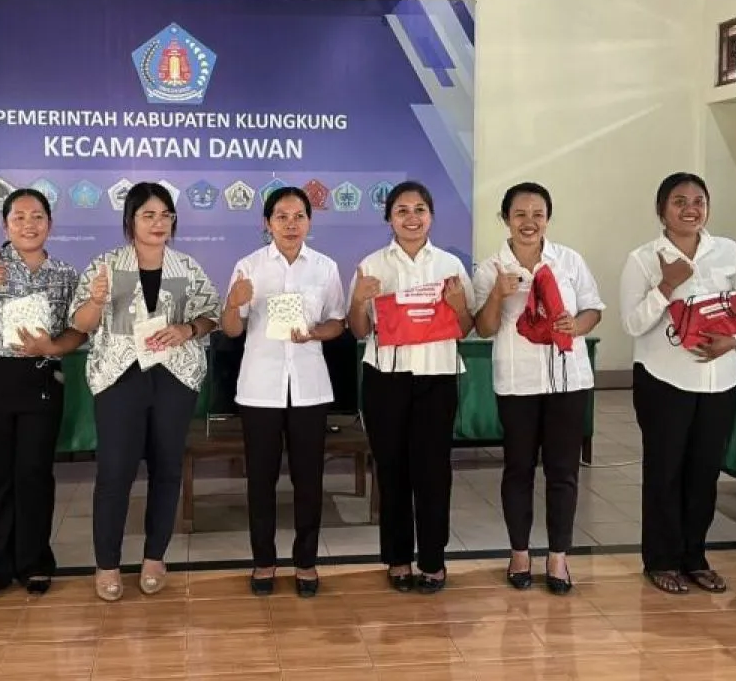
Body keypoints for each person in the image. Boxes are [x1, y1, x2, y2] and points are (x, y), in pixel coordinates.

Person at [69, 182, 220, 602]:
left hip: (174, 377)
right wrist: (95, 301)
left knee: (167, 469)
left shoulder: (186, 266)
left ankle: (155, 557)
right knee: (115, 472)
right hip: (120, 378)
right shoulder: (105, 265)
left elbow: (211, 315)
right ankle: (107, 564)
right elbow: (81, 324)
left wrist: (187, 329)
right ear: (130, 220)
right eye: (148, 215)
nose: (158, 223)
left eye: (165, 215)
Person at [620, 172, 736, 596]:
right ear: (662, 210)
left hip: (722, 379)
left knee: (704, 474)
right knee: (665, 473)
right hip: (664, 380)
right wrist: (667, 285)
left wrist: (734, 342)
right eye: (679, 201)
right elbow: (632, 323)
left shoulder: (729, 252)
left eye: (699, 201)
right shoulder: (643, 258)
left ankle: (695, 557)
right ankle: (661, 560)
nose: (690, 209)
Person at [0, 188, 84, 600]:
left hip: (40, 377)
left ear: (50, 224)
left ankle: (35, 563)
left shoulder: (64, 273)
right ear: (5, 226)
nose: (28, 224)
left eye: (37, 216)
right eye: (18, 217)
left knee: (35, 473)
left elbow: (79, 329)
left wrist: (53, 347)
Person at [472, 182, 603, 595]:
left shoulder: (569, 260)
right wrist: (498, 294)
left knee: (563, 471)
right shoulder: (490, 268)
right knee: (519, 469)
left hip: (568, 380)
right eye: (520, 214)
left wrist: (576, 325)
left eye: (537, 214)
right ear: (505, 218)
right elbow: (484, 328)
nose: (529, 222)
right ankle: (519, 553)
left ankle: (559, 556)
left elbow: (593, 309)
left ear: (548, 218)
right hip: (518, 383)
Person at [347, 181, 475, 594]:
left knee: (434, 472)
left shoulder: (450, 266)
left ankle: (433, 561)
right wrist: (358, 301)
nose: (412, 218)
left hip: (437, 378)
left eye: (420, 209)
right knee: (392, 470)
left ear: (431, 216)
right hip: (387, 379)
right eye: (402, 210)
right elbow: (358, 330)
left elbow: (466, 328)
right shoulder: (371, 265)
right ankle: (398, 558)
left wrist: (459, 307)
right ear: (389, 218)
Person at [221, 187, 346, 598]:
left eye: (298, 216)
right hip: (261, 388)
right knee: (261, 480)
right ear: (267, 223)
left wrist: (314, 333)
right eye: (281, 216)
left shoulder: (325, 267)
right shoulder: (249, 266)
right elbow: (232, 330)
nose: (291, 224)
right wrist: (233, 305)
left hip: (309, 387)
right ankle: (264, 561)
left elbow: (337, 323)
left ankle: (306, 562)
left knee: (309, 480)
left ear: (309, 221)